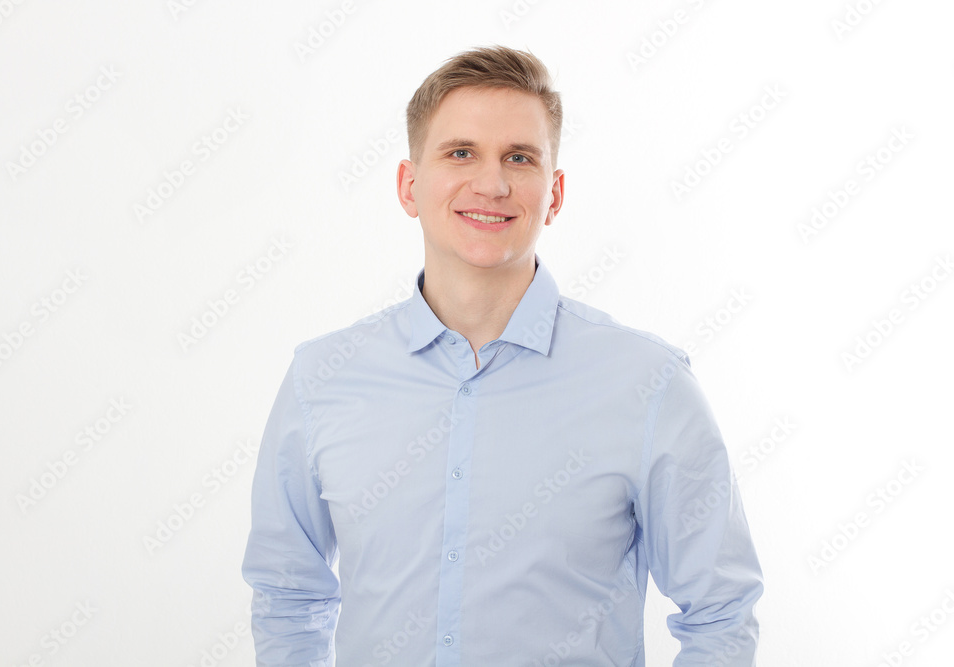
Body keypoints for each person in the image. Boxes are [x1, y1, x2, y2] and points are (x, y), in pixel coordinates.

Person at [241, 44, 763, 666]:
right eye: (460, 152)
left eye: (519, 157)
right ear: (410, 185)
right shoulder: (321, 380)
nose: (491, 183)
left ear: (555, 192)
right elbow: (287, 595)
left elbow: (720, 612)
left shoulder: (648, 384)